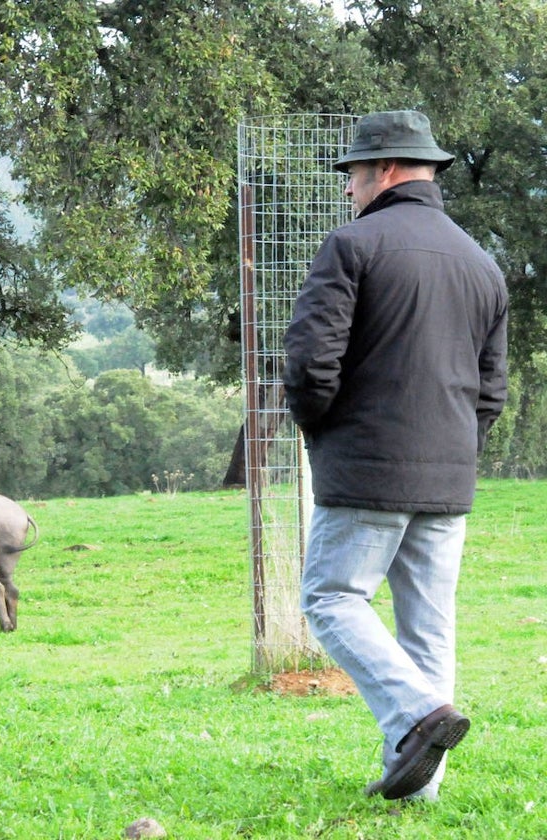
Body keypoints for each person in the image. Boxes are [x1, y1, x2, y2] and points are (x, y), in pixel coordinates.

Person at [283, 110, 508, 801]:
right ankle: (419, 791)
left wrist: (327, 433)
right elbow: (491, 391)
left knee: (329, 599)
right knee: (428, 632)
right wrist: (451, 451)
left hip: (365, 472)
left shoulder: (351, 246)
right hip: (449, 479)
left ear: (383, 171)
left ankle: (420, 714)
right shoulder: (482, 263)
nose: (349, 189)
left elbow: (309, 369)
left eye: (353, 175)